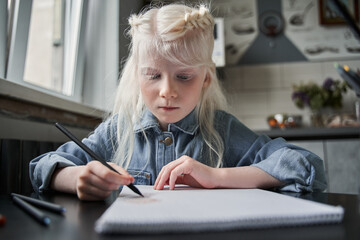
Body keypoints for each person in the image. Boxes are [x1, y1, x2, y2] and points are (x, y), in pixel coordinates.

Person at [30, 3, 327, 201]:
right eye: (153, 75)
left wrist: (217, 176)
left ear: (206, 79)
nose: (167, 91)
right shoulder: (117, 132)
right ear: (136, 75)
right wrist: (77, 177)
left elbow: (305, 166)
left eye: (184, 77)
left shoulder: (221, 131)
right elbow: (42, 167)